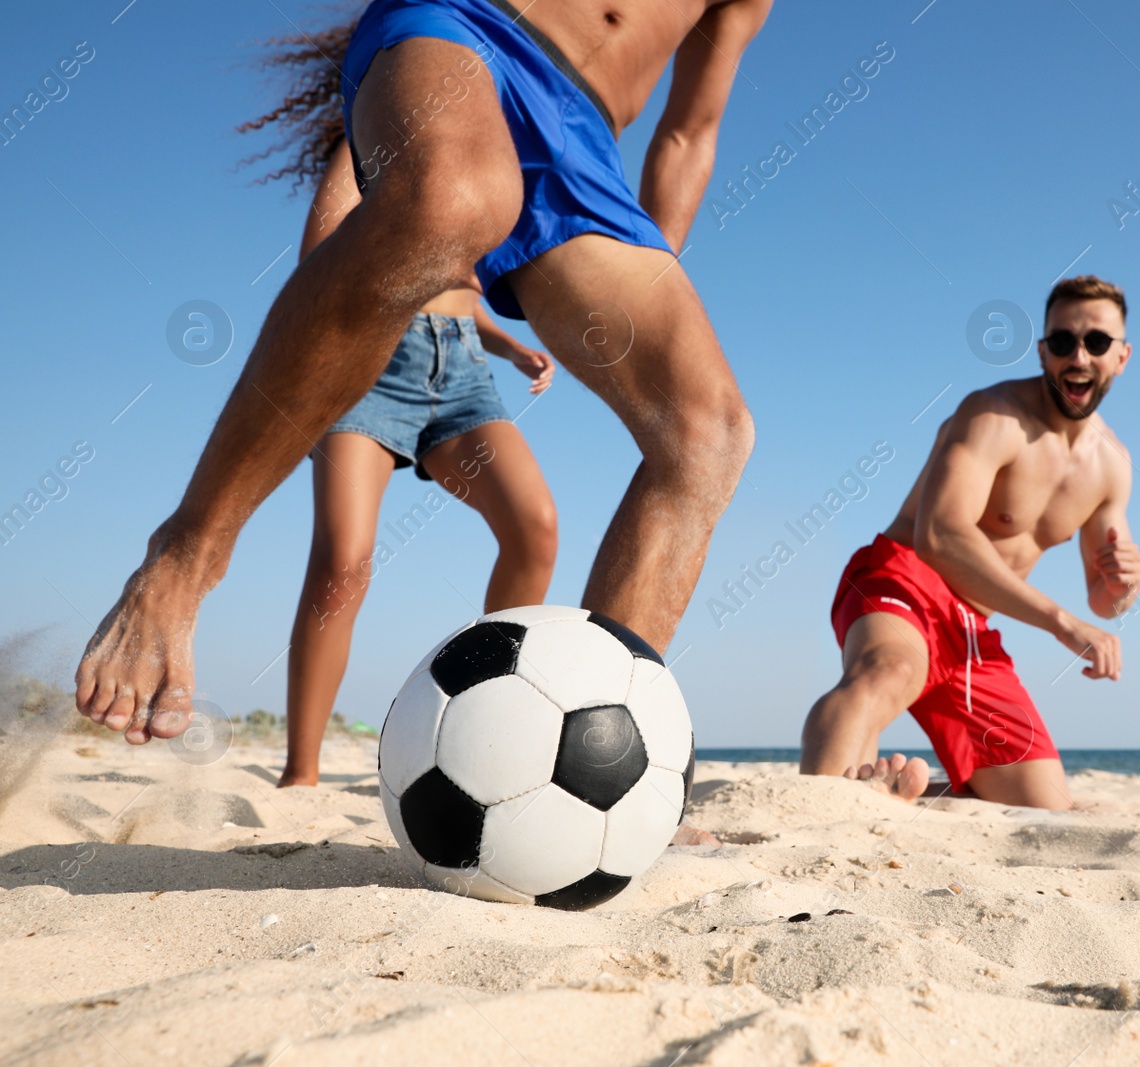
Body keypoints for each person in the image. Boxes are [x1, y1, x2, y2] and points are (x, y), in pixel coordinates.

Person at [75, 0, 771, 743]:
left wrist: (645, 279)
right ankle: (184, 557)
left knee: (709, 432)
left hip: (584, 139)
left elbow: (689, 131)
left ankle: (586, 750)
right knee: (454, 201)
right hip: (467, 27)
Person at [240, 31, 559, 787]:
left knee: (534, 529)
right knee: (343, 565)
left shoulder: (475, 154)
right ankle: (302, 772)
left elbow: (460, 292)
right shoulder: (358, 153)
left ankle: (487, 716)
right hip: (371, 364)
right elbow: (323, 262)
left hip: (462, 371)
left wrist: (512, 347)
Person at [800, 275, 1140, 810]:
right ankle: (809, 821)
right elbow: (938, 535)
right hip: (904, 578)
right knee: (890, 672)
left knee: (1045, 803)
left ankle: (893, 796)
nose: (1078, 356)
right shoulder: (992, 415)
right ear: (1042, 351)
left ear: (1121, 357)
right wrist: (1062, 622)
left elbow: (1104, 598)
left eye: (1096, 342)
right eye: (1062, 342)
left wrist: (1123, 584)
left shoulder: (1113, 466)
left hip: (972, 627)